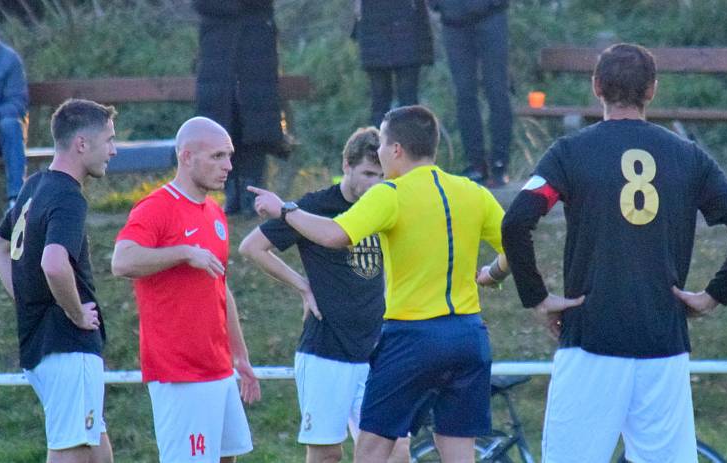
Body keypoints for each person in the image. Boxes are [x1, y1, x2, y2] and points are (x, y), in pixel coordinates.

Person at [501, 43, 727, 463]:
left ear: (596, 88)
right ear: (652, 91)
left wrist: (536, 296)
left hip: (591, 338)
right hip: (662, 345)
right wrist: (713, 295)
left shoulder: (569, 153)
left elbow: (516, 221)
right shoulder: (688, 157)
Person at [247, 105, 510, 463]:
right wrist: (493, 273)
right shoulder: (472, 191)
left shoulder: (390, 194)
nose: (381, 154)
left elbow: (334, 234)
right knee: (459, 451)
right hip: (468, 335)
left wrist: (285, 210)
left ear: (397, 149)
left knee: (372, 449)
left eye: (383, 145)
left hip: (412, 338)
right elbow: (517, 245)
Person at [239, 127, 409, 463]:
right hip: (326, 350)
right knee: (327, 454)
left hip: (377, 349)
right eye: (367, 174)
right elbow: (252, 247)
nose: (375, 183)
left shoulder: (388, 205)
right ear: (346, 165)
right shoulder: (315, 206)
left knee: (397, 453)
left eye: (381, 175)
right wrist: (302, 285)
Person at [111, 117, 261, 463]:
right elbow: (122, 260)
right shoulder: (156, 208)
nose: (228, 166)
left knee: (227, 457)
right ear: (187, 156)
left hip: (218, 366)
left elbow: (220, 286)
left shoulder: (214, 213)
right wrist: (183, 252)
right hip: (180, 371)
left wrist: (240, 355)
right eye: (218, 157)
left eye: (230, 156)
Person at [0, 99, 116, 463]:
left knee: (98, 452)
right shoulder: (67, 196)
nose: (114, 149)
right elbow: (53, 263)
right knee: (72, 451)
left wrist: (25, 297)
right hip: (67, 346)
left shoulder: (34, 186)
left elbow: (1, 245)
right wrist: (77, 313)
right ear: (82, 144)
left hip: (44, 344)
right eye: (108, 139)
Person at [193, 0, 289, 217]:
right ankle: (232, 191)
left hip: (256, 43)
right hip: (218, 46)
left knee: (256, 123)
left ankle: (251, 192)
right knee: (224, 121)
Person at [429, 0, 512, 187]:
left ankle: (500, 163)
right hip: (453, 21)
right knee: (464, 95)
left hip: (492, 15)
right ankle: (475, 164)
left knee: (497, 91)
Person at [353, 0, 434, 126]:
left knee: (380, 104)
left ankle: (381, 143)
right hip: (406, 31)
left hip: (375, 30)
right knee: (408, 103)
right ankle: (409, 143)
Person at [0, 37, 28, 209]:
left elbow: (17, 105)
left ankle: (16, 202)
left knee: (10, 125)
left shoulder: (9, 60)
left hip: (2, 137)